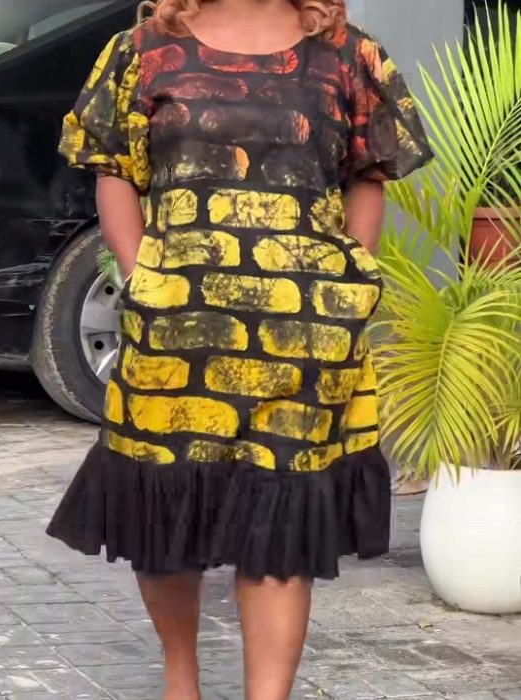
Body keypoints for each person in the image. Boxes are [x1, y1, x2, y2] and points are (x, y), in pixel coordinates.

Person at [48, 0, 432, 697]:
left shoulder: (349, 54)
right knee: (165, 509)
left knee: (281, 527)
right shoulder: (142, 49)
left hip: (304, 341)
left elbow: (367, 177)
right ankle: (181, 680)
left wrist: (351, 283)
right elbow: (115, 172)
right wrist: (141, 279)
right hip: (176, 336)